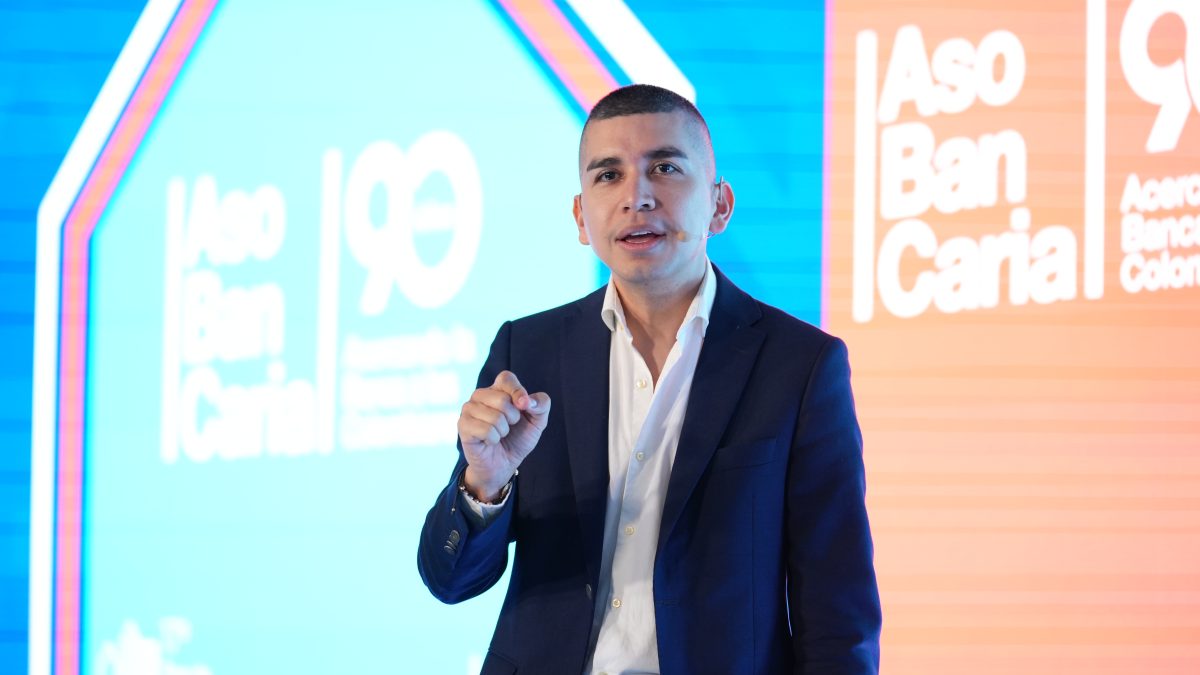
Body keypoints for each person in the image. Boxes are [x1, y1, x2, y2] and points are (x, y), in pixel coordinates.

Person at [418, 84, 881, 675]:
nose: (636, 197)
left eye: (664, 168)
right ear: (581, 217)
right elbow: (450, 580)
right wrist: (484, 483)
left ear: (719, 205)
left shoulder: (799, 365)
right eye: (608, 175)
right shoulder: (528, 351)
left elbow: (837, 612)